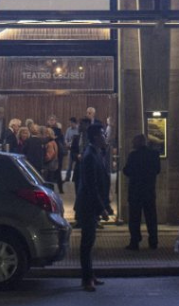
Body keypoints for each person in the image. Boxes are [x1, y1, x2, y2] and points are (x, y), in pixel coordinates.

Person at [76, 124, 111, 292]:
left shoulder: (96, 153)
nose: (105, 136)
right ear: (97, 137)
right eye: (103, 134)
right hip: (88, 205)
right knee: (86, 243)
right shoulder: (90, 156)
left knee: (89, 243)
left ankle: (90, 275)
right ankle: (86, 279)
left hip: (91, 205)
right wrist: (102, 208)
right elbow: (91, 185)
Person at [122, 133, 160, 251]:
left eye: (134, 142)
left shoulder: (133, 155)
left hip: (135, 191)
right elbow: (157, 170)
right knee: (151, 217)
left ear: (138, 143)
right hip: (149, 190)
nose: (132, 144)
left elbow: (127, 171)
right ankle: (153, 240)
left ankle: (135, 241)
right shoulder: (154, 154)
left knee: (134, 218)